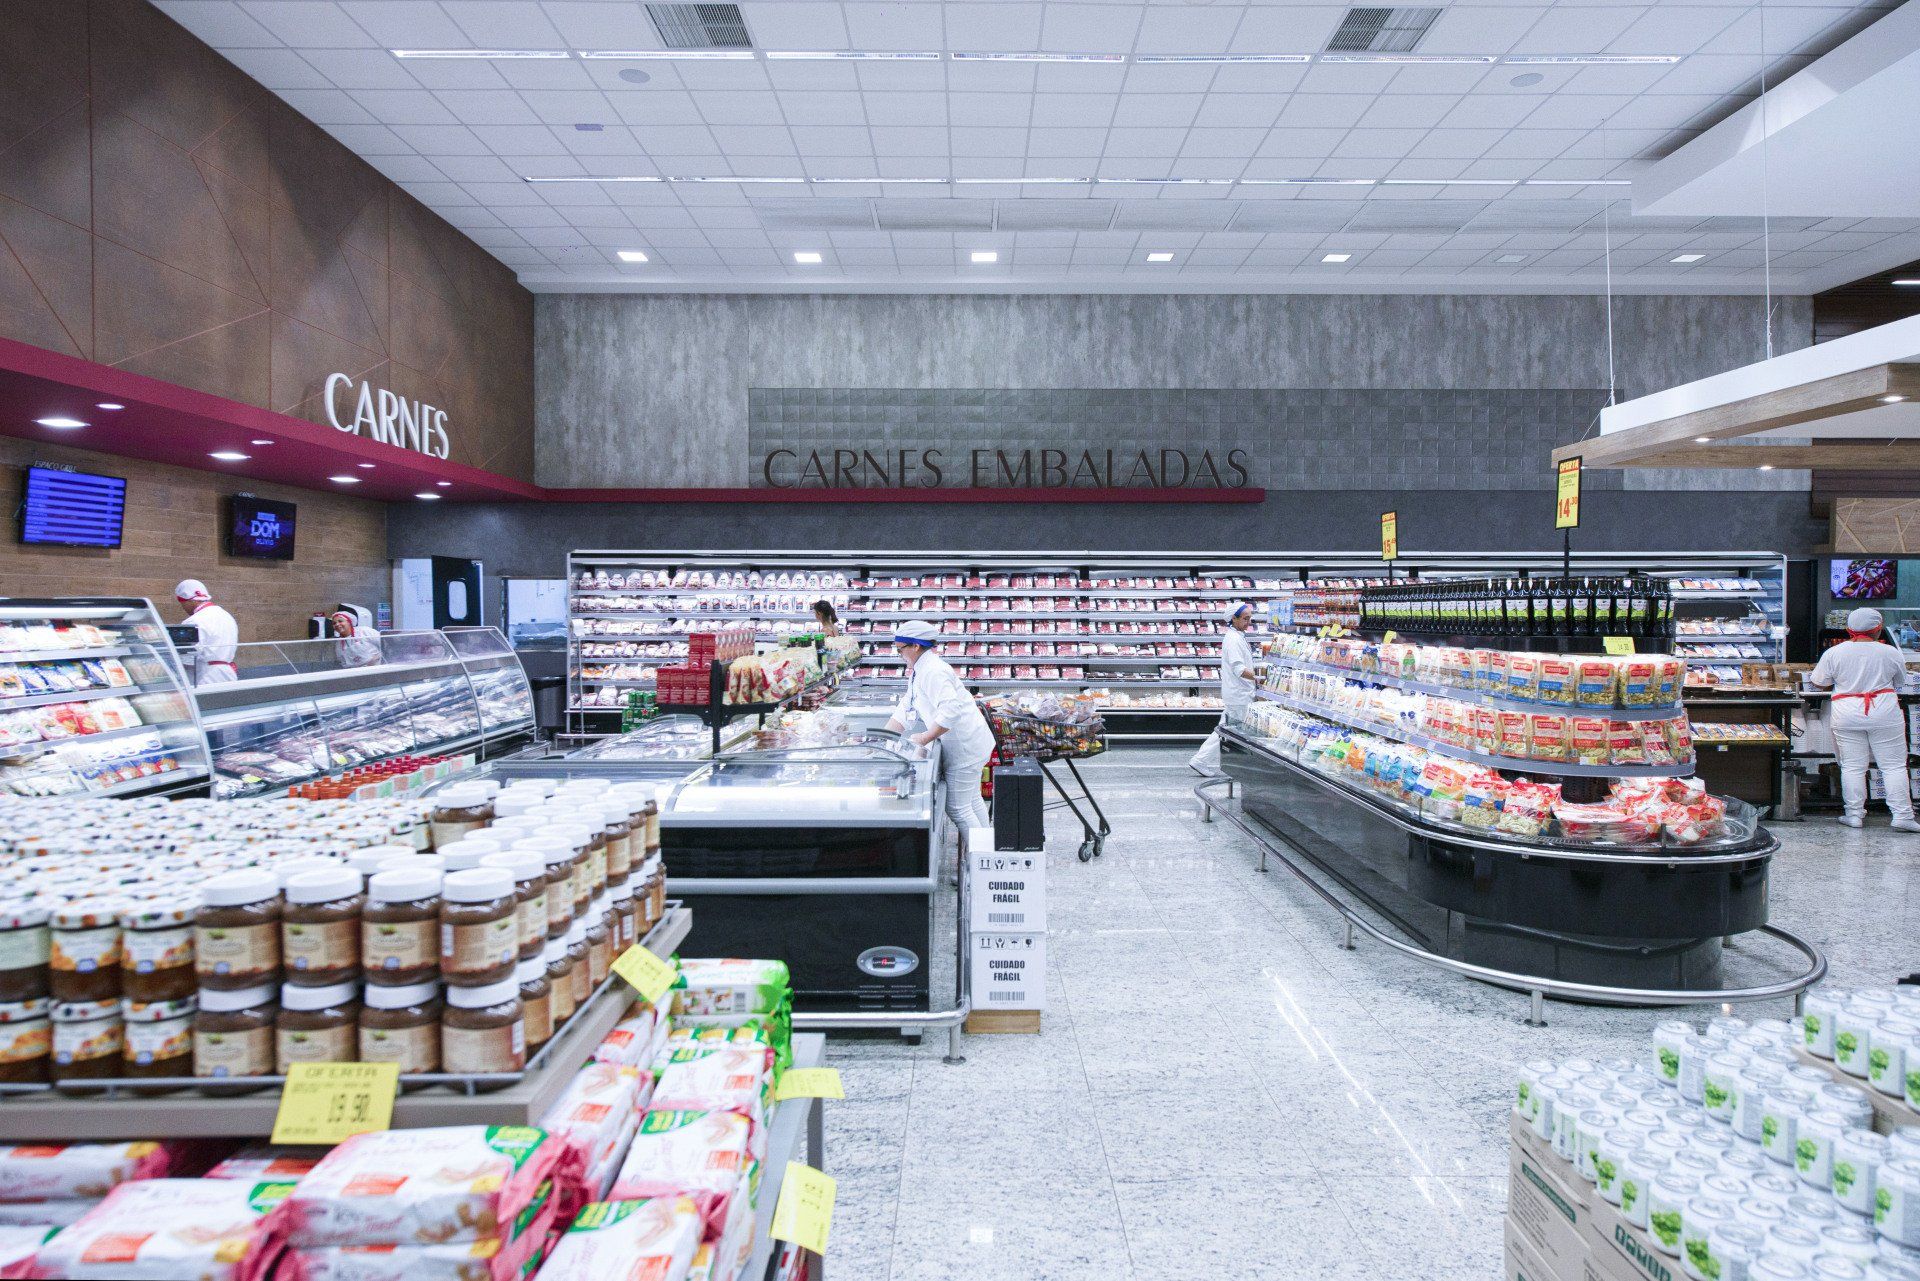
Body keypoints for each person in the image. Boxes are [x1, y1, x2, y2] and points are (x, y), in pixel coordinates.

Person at [884, 620, 995, 853]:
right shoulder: (921, 669)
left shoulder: (933, 671)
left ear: (915, 646)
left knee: (957, 808)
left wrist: (925, 737)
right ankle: (987, 858)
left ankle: (982, 861)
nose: (899, 655)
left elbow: (950, 710)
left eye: (900, 649)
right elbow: (906, 708)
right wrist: (883, 739)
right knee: (971, 800)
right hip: (971, 741)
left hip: (964, 745)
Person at [1810, 606, 1919, 832]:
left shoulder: (1834, 653)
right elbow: (1900, 682)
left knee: (1852, 766)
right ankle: (1902, 816)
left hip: (1847, 712)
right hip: (1884, 711)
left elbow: (1818, 682)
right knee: (1893, 766)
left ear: (1849, 629)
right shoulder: (1890, 652)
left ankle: (1854, 815)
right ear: (1878, 629)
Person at [1189, 601, 1259, 775]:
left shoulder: (1237, 636)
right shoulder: (1234, 639)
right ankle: (1202, 760)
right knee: (1227, 730)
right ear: (1234, 619)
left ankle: (1203, 760)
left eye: (1250, 618)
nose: (1248, 622)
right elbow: (1239, 669)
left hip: (1239, 693)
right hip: (1239, 694)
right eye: (1245, 618)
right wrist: (1261, 677)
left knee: (1226, 728)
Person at [173, 579, 239, 685]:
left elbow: (187, 657)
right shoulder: (227, 616)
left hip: (205, 677)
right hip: (229, 675)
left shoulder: (194, 621)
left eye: (183, 604)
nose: (184, 608)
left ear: (189, 601)